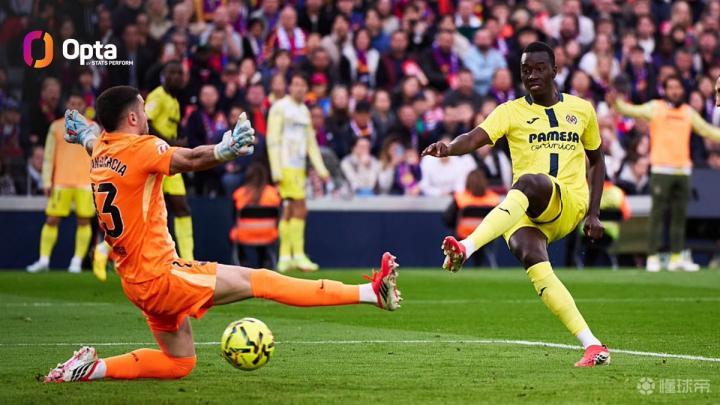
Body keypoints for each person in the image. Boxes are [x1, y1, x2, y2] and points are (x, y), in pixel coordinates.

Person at [44, 86, 401, 383]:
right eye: (143, 109)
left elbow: (92, 141)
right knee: (262, 281)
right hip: (161, 276)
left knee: (179, 363)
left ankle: (90, 369)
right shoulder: (142, 147)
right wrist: (223, 150)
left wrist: (85, 133)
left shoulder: (102, 149)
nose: (147, 116)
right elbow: (190, 159)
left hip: (136, 282)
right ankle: (371, 293)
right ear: (134, 118)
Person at [422, 42, 610, 367]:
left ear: (555, 71)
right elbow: (474, 137)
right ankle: (592, 345)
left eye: (539, 68)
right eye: (525, 70)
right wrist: (449, 148)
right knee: (529, 254)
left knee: (528, 182)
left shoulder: (582, 110)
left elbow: (597, 160)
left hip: (568, 200)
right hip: (525, 208)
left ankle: (466, 248)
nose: (532, 75)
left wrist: (593, 213)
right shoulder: (510, 111)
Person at [607, 75, 720, 272]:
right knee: (657, 215)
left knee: (679, 216)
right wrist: (616, 102)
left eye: (678, 87)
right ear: (664, 90)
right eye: (671, 87)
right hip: (661, 169)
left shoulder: (688, 112)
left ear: (682, 90)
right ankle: (652, 257)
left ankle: (676, 258)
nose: (675, 91)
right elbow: (630, 110)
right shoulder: (655, 107)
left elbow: (706, 130)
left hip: (683, 170)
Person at [26, 92, 96, 275]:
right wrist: (46, 181)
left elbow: (98, 155)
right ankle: (44, 260)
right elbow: (48, 156)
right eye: (72, 103)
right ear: (67, 105)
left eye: (78, 103)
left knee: (84, 221)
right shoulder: (56, 126)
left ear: (84, 106)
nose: (75, 106)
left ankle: (76, 261)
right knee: (51, 220)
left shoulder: (93, 126)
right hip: (61, 182)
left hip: (85, 182)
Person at [267, 73, 330, 272]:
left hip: (299, 167)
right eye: (295, 84)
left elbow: (311, 143)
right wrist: (276, 169)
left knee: (289, 209)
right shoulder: (279, 107)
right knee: (300, 208)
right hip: (285, 165)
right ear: (290, 87)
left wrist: (321, 169)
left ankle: (286, 256)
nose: (299, 88)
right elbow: (272, 139)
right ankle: (298, 254)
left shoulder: (304, 111)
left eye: (302, 85)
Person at [144, 61, 195, 260]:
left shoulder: (174, 101)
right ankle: (106, 250)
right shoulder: (158, 96)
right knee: (147, 212)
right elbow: (146, 124)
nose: (176, 77)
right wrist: (171, 142)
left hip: (170, 160)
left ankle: (188, 259)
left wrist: (178, 142)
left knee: (181, 207)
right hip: (155, 159)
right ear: (163, 75)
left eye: (179, 73)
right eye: (172, 73)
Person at [229, 163, 281, 268]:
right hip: (268, 235)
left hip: (244, 235)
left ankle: (242, 261)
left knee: (232, 234)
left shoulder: (239, 194)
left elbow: (234, 218)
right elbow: (278, 217)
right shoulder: (273, 193)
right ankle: (264, 261)